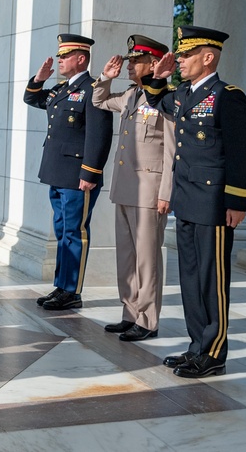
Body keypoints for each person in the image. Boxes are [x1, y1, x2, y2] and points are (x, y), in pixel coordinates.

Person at [139, 25, 246, 378]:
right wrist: (157, 78)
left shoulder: (227, 96)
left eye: (187, 55)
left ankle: (214, 352)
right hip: (188, 199)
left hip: (214, 202)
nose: (180, 60)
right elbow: (157, 101)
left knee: (211, 279)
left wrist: (237, 201)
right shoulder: (184, 94)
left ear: (208, 57)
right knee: (190, 277)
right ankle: (196, 347)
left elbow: (245, 151)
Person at [91, 35, 174, 342]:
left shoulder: (168, 98)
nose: (129, 67)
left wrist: (166, 192)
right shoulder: (129, 95)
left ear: (154, 65)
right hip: (125, 187)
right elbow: (98, 100)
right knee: (127, 257)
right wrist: (104, 78)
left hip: (150, 190)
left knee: (147, 259)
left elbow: (171, 150)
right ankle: (130, 313)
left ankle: (148, 321)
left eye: (136, 62)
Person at [25, 34, 113, 310]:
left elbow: (99, 136)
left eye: (65, 56)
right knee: (62, 229)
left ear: (81, 58)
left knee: (75, 231)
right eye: (60, 56)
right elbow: (32, 99)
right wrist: (38, 79)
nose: (60, 60)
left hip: (78, 175)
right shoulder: (61, 89)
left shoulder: (93, 89)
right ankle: (61, 286)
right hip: (57, 171)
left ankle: (72, 291)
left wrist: (90, 172)